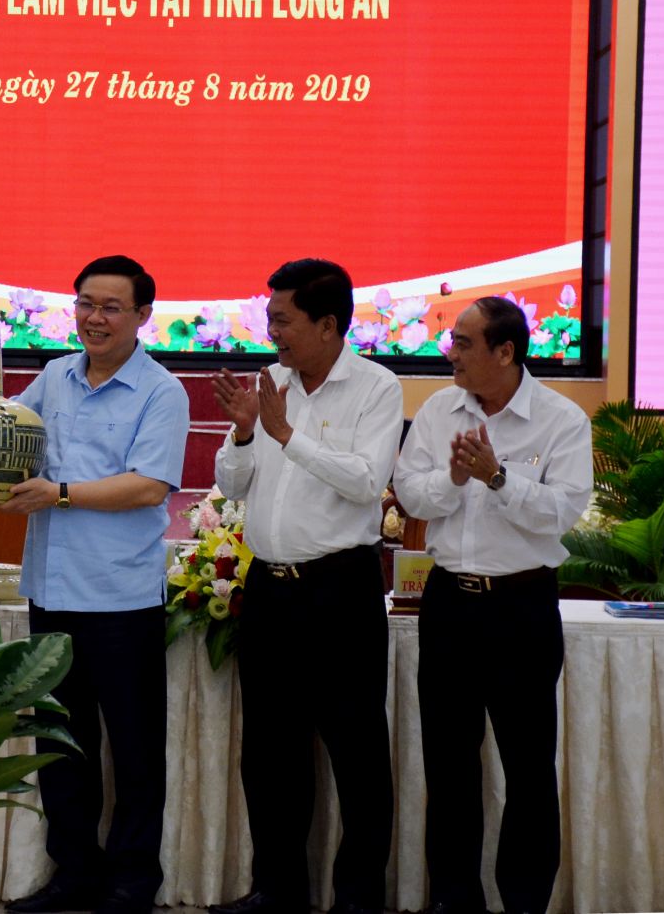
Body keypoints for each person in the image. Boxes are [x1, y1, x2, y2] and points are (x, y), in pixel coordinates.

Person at [208, 259, 403, 914]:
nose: (273, 332)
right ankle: (277, 891)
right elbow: (233, 485)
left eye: (283, 319)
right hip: (270, 591)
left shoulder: (375, 387)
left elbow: (365, 478)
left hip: (339, 590)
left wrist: (287, 434)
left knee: (357, 753)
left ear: (327, 323)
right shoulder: (272, 385)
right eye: (270, 319)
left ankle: (357, 899)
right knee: (269, 753)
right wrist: (243, 432)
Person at [0, 255, 189, 914]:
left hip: (120, 599)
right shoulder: (53, 376)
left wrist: (61, 492)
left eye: (110, 307)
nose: (94, 317)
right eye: (85, 303)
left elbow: (149, 484)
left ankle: (134, 880)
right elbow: (9, 436)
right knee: (60, 745)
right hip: (50, 591)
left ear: (142, 316)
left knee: (134, 752)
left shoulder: (162, 391)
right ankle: (73, 871)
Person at [393, 297, 592, 914]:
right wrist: (456, 479)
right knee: (449, 769)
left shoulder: (560, 419)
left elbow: (563, 514)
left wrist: (499, 478)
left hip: (521, 607)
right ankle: (455, 901)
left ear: (505, 352)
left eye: (463, 343)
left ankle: (525, 903)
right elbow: (409, 493)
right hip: (451, 604)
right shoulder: (437, 410)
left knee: (529, 770)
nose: (449, 353)